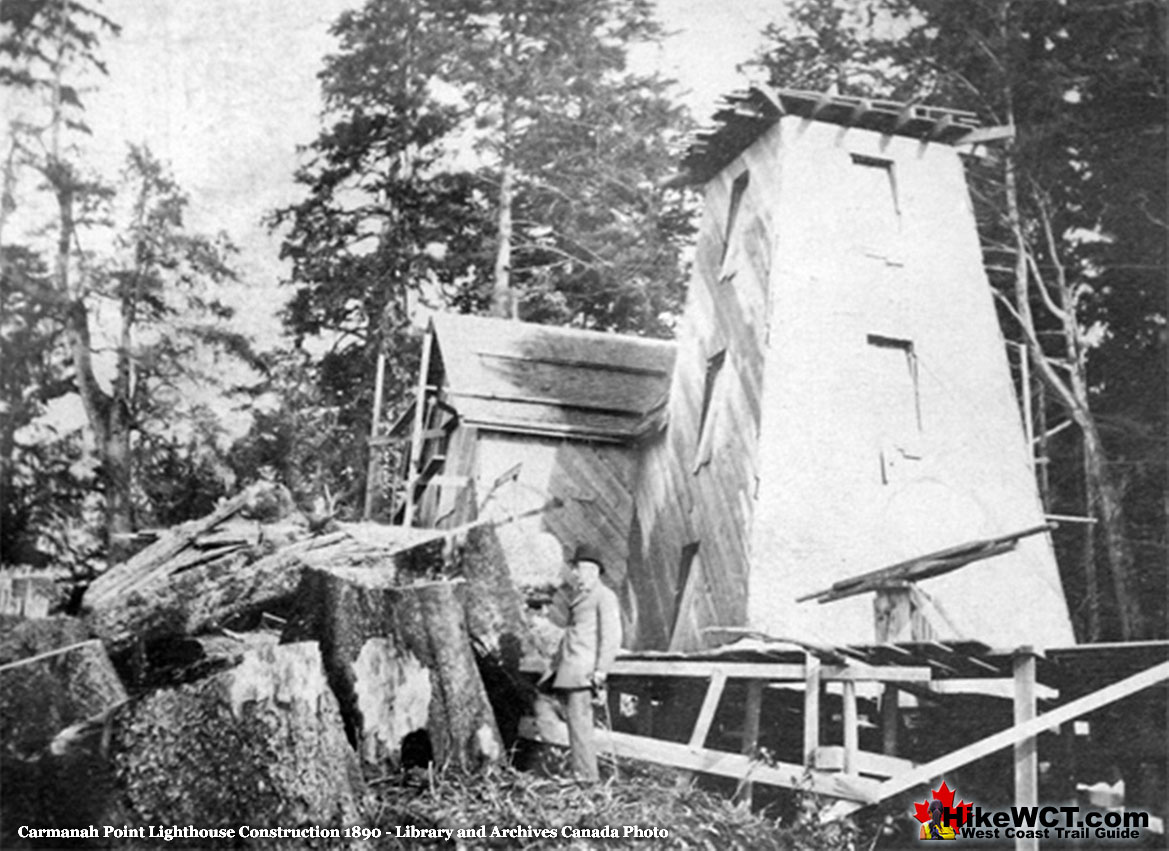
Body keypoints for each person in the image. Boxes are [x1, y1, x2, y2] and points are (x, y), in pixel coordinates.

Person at [545, 542, 622, 782]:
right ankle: (581, 773)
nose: (576, 574)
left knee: (581, 726)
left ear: (592, 570)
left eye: (578, 569)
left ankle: (587, 779)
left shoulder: (604, 596)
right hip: (570, 668)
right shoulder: (583, 596)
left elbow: (612, 635)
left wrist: (601, 670)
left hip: (583, 671)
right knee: (575, 726)